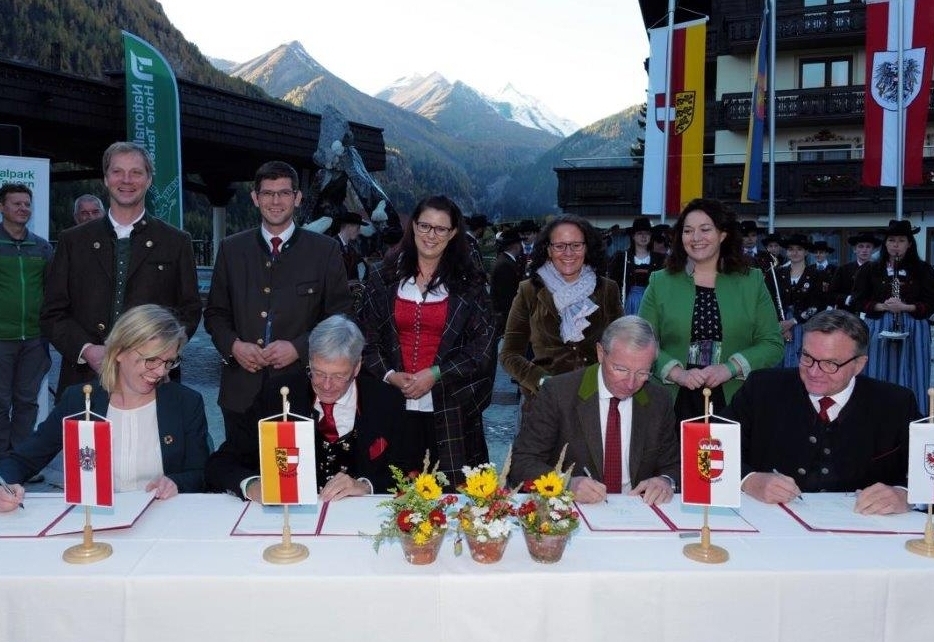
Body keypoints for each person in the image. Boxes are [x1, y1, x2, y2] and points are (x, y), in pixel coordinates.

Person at [0, 304, 210, 512]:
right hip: (93, 520)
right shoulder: (79, 400)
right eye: (151, 360)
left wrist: (175, 483)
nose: (160, 371)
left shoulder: (185, 402)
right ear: (119, 352)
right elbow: (23, 460)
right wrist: (3, 486)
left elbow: (201, 473)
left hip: (162, 517)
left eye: (169, 362)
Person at [204, 160, 353, 448]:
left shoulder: (324, 251)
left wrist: (298, 348)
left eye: (284, 193)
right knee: (242, 476)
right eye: (268, 193)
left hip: (300, 389)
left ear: (297, 198)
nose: (275, 201)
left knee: (295, 477)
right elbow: (215, 314)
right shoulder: (232, 249)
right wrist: (234, 346)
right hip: (240, 392)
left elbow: (340, 318)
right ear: (255, 198)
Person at [40, 141, 202, 398]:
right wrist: (87, 350)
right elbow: (53, 312)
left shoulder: (176, 241)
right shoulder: (73, 241)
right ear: (105, 178)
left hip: (153, 380)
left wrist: (157, 352)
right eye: (117, 172)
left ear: (149, 180)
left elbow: (189, 310)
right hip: (83, 382)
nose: (126, 180)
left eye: (136, 172)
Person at [358, 194, 495, 486]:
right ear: (413, 227)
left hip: (452, 407)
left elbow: (481, 349)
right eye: (424, 226)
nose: (431, 235)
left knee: (453, 494)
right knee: (394, 489)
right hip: (393, 403)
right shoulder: (383, 276)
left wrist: (435, 374)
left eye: (440, 228)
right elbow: (367, 337)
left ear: (453, 232)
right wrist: (390, 374)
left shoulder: (470, 283)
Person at [726, 310, 918, 514]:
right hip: (769, 523)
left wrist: (906, 495)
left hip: (863, 534)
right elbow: (707, 447)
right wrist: (748, 480)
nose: (814, 372)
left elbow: (928, 468)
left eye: (830, 364)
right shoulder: (762, 388)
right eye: (807, 357)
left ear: (859, 364)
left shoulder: (896, 403)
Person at [206, 314, 402, 501]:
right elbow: (221, 463)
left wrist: (366, 485)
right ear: (309, 361)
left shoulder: (385, 400)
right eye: (318, 373)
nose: (326, 385)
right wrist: (251, 485)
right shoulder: (278, 395)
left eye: (338, 376)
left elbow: (411, 469)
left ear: (357, 367)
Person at [638, 198, 784, 420]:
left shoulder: (751, 281)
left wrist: (729, 368)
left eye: (705, 229)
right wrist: (677, 373)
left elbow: (772, 344)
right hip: (673, 398)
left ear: (723, 235)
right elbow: (642, 343)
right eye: (688, 231)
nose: (696, 238)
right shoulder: (660, 282)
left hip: (736, 395)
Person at [509, 315, 679, 505]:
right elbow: (521, 463)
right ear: (600, 353)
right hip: (573, 510)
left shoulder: (659, 399)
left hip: (638, 511)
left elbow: (672, 465)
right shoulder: (559, 393)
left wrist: (666, 481)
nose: (631, 383)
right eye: (621, 369)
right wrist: (565, 484)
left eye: (642, 373)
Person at [500, 214, 623, 404]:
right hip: (544, 400)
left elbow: (620, 347)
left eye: (576, 245)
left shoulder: (608, 289)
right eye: (559, 246)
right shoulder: (529, 291)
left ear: (587, 248)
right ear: (548, 249)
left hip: (596, 399)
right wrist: (541, 381)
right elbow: (509, 353)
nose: (568, 252)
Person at [850, 219, 934, 411]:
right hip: (880, 326)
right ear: (886, 243)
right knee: (879, 372)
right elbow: (858, 300)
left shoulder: (922, 269)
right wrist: (882, 306)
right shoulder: (870, 269)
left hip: (913, 327)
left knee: (913, 373)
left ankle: (912, 415)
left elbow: (931, 302)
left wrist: (906, 307)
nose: (896, 245)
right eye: (892, 240)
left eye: (901, 240)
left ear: (909, 244)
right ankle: (876, 416)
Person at [0, 183, 53, 455]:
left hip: (34, 338)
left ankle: (19, 459)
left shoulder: (42, 248)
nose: (23, 208)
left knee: (27, 402)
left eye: (27, 204)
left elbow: (53, 292)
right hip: (1, 339)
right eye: (16, 203)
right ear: (2, 207)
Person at [775, 234, 823, 366]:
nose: (795, 252)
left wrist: (793, 321)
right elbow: (770, 301)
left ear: (806, 252)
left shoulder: (815, 274)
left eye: (799, 249)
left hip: (805, 326)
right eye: (791, 249)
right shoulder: (778, 274)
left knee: (802, 362)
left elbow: (817, 305)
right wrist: (783, 326)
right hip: (779, 326)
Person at [607, 216, 666, 315]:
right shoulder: (622, 258)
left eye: (647, 233)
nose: (644, 237)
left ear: (651, 236)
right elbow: (613, 283)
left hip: (652, 304)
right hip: (628, 303)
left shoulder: (660, 259)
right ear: (633, 236)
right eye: (639, 233)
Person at [828, 232, 880, 312]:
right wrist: (848, 299)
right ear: (854, 249)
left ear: (873, 249)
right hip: (848, 314)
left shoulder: (879, 270)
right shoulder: (843, 269)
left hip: (871, 314)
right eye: (861, 246)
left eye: (868, 247)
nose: (864, 250)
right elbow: (831, 294)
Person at [489, 228, 524, 340]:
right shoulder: (505, 265)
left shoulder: (506, 261)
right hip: (507, 319)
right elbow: (507, 297)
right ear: (515, 245)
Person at [331, 205, 371, 283]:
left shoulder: (351, 249)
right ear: (349, 227)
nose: (359, 232)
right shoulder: (331, 245)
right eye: (358, 228)